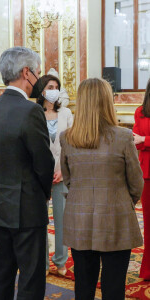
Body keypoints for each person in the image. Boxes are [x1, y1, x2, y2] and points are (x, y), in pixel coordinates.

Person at [60, 78, 143, 300]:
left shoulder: (67, 137)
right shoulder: (124, 137)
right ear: (108, 101)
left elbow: (67, 179)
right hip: (116, 216)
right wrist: (122, 201)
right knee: (114, 286)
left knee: (83, 286)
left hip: (79, 216)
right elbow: (136, 183)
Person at [0, 46, 55, 300]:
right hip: (27, 207)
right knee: (31, 276)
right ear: (27, 73)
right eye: (37, 72)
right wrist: (44, 194)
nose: (39, 78)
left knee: (1, 271)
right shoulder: (30, 110)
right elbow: (43, 163)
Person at [37, 74, 73, 276]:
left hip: (62, 173)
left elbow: (71, 143)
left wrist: (62, 170)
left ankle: (60, 261)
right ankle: (41, 263)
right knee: (40, 220)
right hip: (39, 175)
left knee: (62, 219)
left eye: (57, 86)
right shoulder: (33, 112)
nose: (54, 89)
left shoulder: (66, 112)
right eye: (50, 86)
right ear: (42, 90)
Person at [133, 78, 150, 280]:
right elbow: (134, 141)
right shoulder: (141, 111)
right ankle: (147, 270)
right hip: (147, 174)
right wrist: (142, 142)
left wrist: (145, 140)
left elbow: (140, 139)